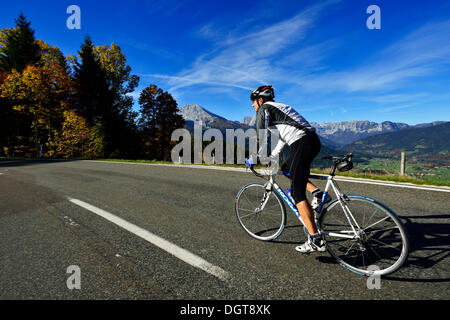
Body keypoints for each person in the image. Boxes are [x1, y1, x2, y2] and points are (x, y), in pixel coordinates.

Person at [248, 85, 330, 253]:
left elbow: (261, 134)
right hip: (310, 141)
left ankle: (315, 239)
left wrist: (257, 157)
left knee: (296, 193)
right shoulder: (278, 108)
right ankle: (318, 193)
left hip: (301, 143)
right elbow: (284, 137)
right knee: (287, 169)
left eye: (253, 102)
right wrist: (273, 156)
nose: (252, 105)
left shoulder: (264, 108)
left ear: (260, 100)